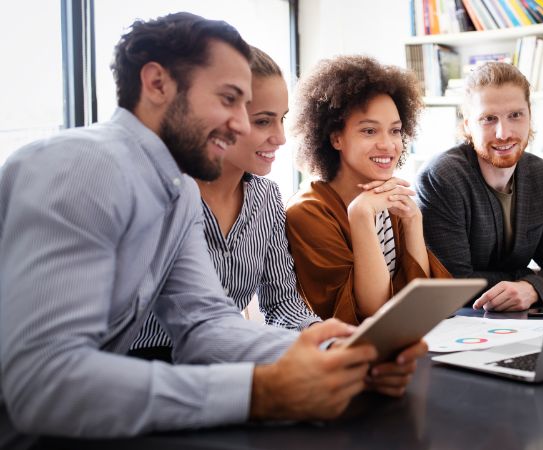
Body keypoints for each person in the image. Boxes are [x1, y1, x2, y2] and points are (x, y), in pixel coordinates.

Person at [0, 13, 423, 444]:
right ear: (157, 84)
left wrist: (340, 357)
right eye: (228, 100)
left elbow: (203, 323)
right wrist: (262, 392)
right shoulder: (82, 167)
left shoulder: (176, 190)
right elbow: (41, 381)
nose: (241, 125)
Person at [129, 46, 321, 363]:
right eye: (263, 122)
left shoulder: (266, 198)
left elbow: (283, 304)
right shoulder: (162, 198)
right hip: (145, 374)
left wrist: (326, 341)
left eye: (282, 119)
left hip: (221, 368)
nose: (281, 137)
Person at [287, 55, 451, 326]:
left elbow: (422, 302)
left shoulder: (389, 199)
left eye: (395, 131)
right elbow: (371, 313)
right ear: (336, 137)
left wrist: (413, 221)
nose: (388, 145)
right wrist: (361, 216)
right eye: (369, 131)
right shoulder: (307, 212)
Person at [415, 62, 543, 312]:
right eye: (488, 119)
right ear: (467, 125)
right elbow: (455, 283)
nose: (503, 133)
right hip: (459, 322)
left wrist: (531, 288)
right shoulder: (442, 177)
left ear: (530, 115)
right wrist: (527, 276)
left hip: (518, 319)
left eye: (515, 115)